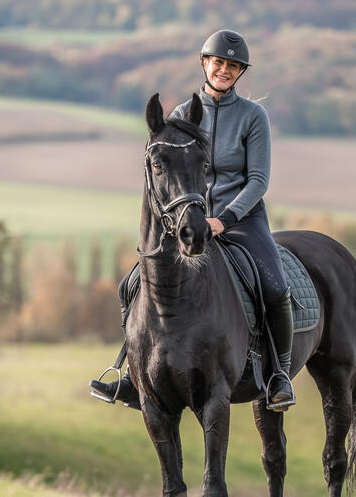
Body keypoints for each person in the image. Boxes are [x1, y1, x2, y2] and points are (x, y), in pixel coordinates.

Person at [90, 29, 295, 411]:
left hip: (242, 219)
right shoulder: (183, 116)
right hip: (187, 220)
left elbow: (258, 180)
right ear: (205, 63)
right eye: (218, 62)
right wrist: (189, 215)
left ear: (240, 72)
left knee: (275, 286)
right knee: (130, 286)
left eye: (232, 66)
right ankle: (134, 375)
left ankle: (279, 374)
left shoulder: (253, 117)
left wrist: (226, 218)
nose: (224, 70)